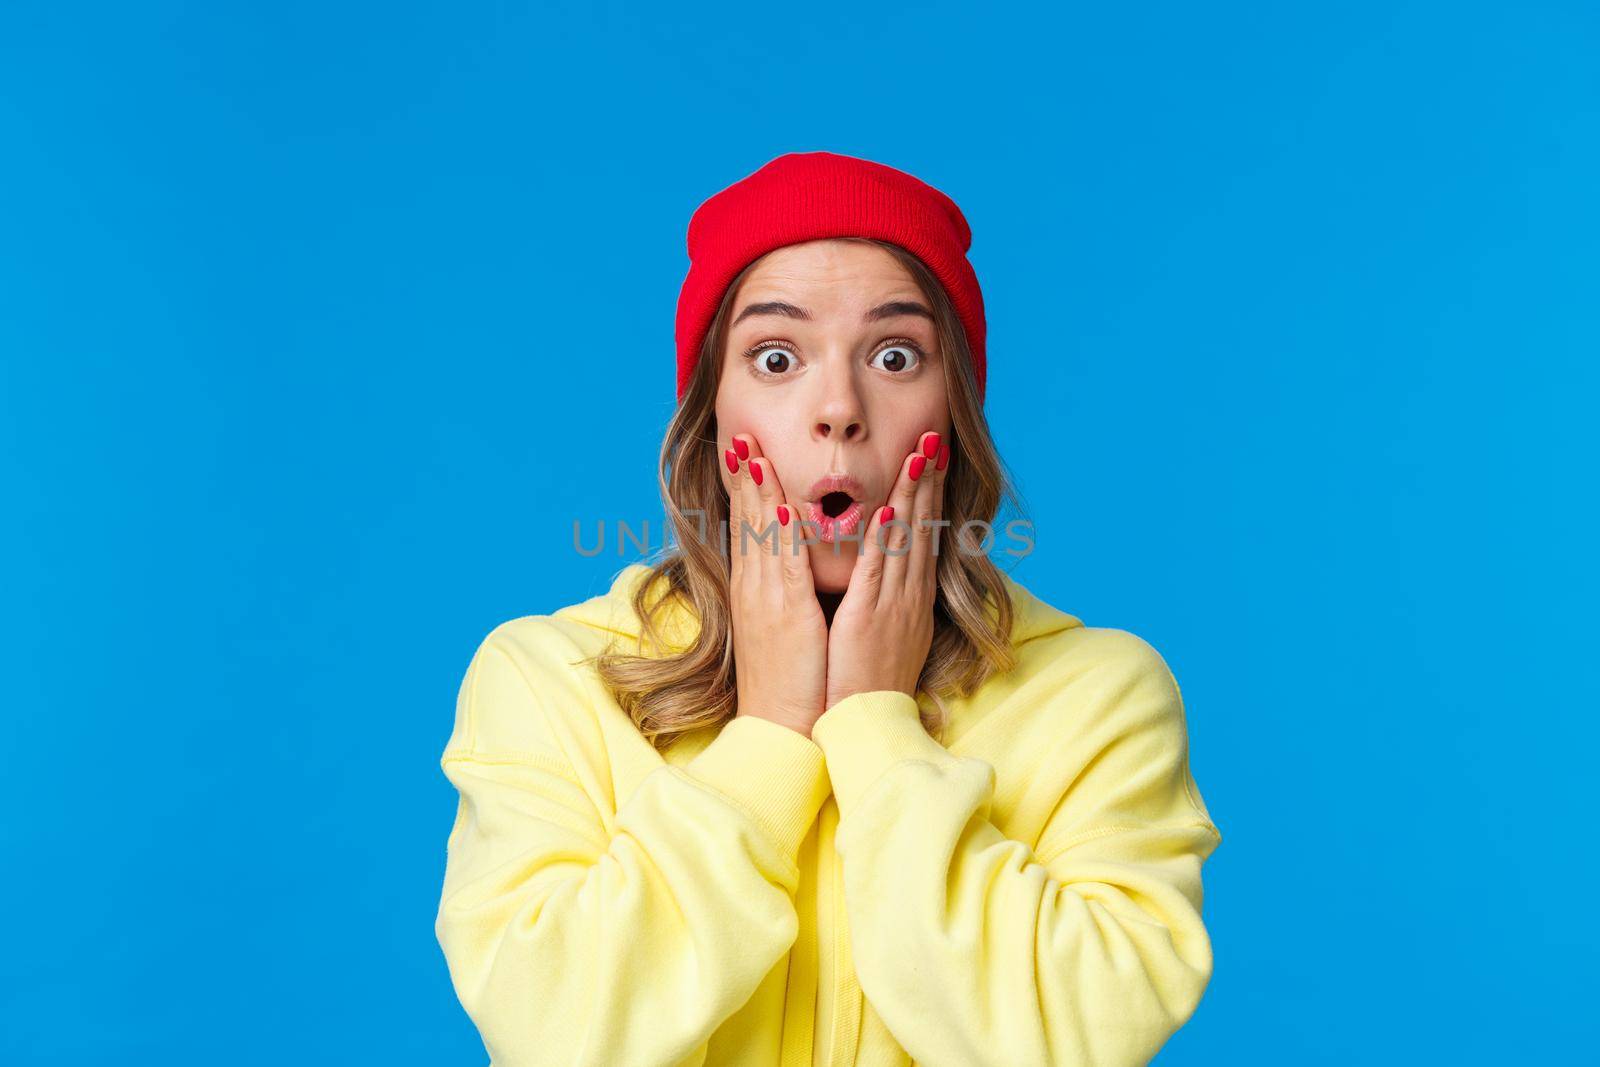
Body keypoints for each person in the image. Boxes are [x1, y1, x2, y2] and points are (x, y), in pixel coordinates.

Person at [433, 151, 1223, 1066]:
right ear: (710, 417)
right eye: (776, 357)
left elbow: (1076, 1035)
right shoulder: (548, 679)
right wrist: (769, 735)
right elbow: (558, 1037)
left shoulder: (1100, 694)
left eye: (895, 355)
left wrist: (877, 731)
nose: (840, 409)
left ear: (955, 408)